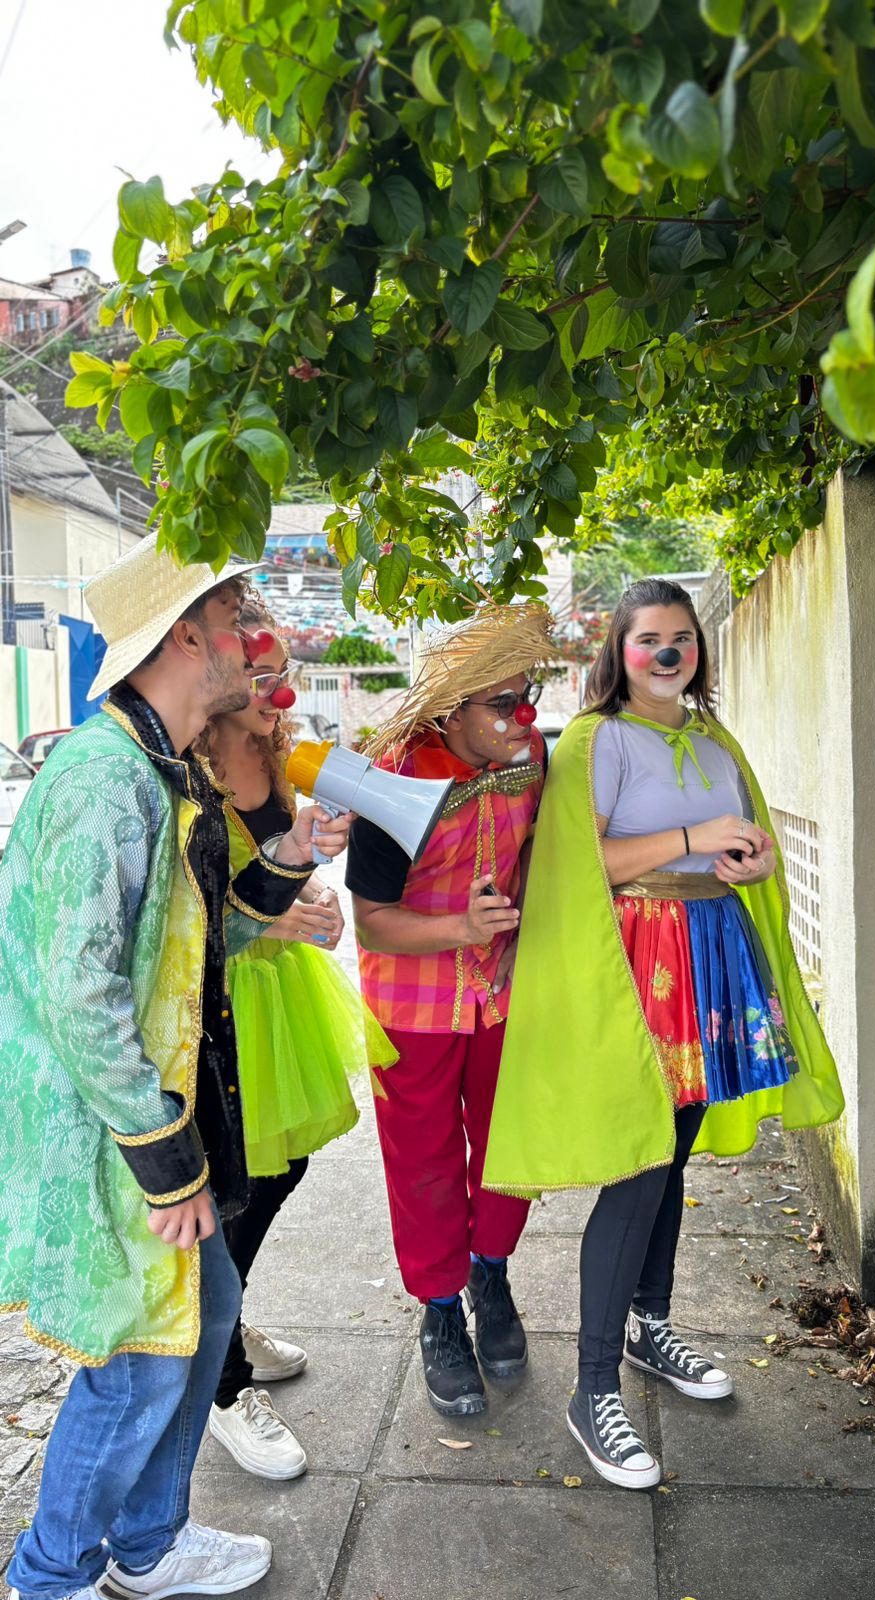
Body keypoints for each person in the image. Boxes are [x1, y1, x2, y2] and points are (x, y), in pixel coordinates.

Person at [0, 538, 350, 1600]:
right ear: (187, 635)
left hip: (165, 1107)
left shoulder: (169, 765)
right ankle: (50, 1576)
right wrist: (167, 1162)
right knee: (140, 1360)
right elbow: (78, 994)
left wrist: (287, 861)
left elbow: (200, 947)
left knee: (202, 1323)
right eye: (239, 607)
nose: (259, 628)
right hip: (111, 1132)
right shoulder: (105, 780)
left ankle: (147, 1546)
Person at [483, 578, 845, 1488]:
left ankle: (650, 1326)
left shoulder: (713, 737)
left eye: (682, 637)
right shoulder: (597, 740)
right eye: (650, 638)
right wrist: (694, 830)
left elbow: (740, 847)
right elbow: (580, 858)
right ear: (619, 651)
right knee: (641, 1166)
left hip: (710, 952)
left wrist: (749, 855)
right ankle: (592, 1388)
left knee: (672, 1157)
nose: (669, 652)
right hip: (635, 964)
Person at [195, 595, 396, 1480]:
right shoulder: (187, 767)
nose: (274, 691)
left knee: (282, 1167)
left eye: (283, 675)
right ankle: (222, 1385)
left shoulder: (277, 751)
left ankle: (224, 1320)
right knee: (232, 1179)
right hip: (222, 997)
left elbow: (281, 864)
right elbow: (198, 907)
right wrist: (277, 922)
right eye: (261, 673)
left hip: (283, 996)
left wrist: (317, 903)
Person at [345, 603, 556, 1417]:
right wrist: (461, 927)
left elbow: (540, 837)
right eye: (502, 703)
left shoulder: (532, 754)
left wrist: (523, 896)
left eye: (526, 694)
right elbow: (372, 919)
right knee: (425, 1164)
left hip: (502, 994)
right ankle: (439, 1313)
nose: (523, 716)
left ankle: (491, 1277)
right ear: (451, 708)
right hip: (411, 1005)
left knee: (510, 1147)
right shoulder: (389, 778)